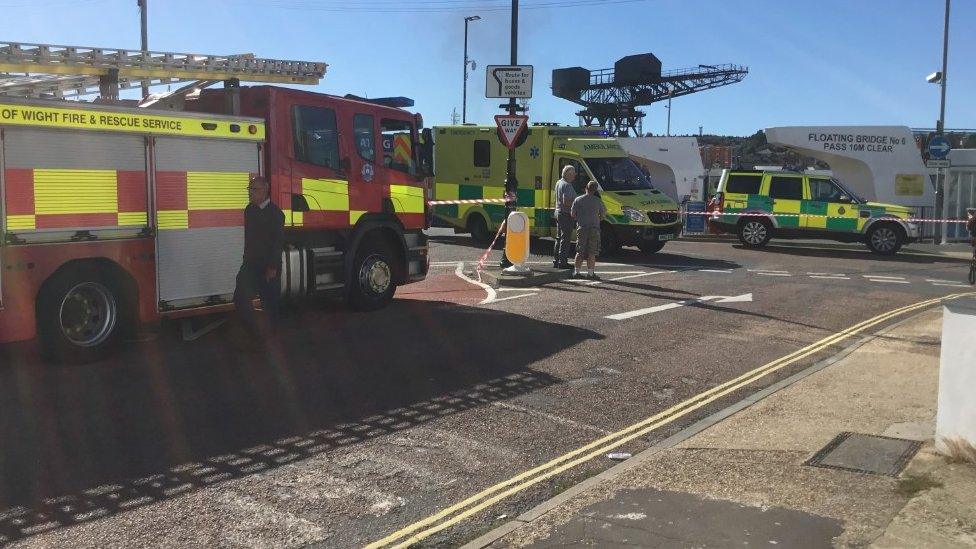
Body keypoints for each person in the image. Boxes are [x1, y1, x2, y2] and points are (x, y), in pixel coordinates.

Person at [234, 175, 285, 342]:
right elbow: (249, 239)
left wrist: (272, 268)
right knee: (240, 298)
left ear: (265, 189)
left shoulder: (276, 214)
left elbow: (277, 244)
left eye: (254, 189)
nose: (250, 193)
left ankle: (272, 338)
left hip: (268, 266)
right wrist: (245, 260)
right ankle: (254, 334)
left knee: (270, 304)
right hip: (250, 264)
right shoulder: (249, 210)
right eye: (249, 189)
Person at [570, 180, 607, 279]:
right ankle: (590, 274)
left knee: (580, 250)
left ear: (586, 188)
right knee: (592, 252)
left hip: (582, 227)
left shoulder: (578, 200)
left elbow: (572, 214)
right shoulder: (598, 201)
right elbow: (603, 216)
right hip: (594, 228)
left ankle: (576, 272)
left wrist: (579, 218)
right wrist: (596, 219)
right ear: (595, 191)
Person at [552, 165, 578, 269]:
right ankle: (563, 262)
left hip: (558, 212)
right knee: (565, 239)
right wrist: (576, 202)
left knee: (559, 238)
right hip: (566, 214)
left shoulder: (559, 182)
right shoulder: (567, 185)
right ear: (568, 174)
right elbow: (566, 201)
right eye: (573, 174)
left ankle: (556, 260)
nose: (574, 176)